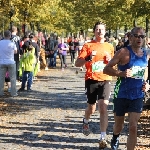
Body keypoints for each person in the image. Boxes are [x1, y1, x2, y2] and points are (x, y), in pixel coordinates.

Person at [103, 27, 148, 150]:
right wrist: (120, 73)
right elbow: (106, 69)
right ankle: (115, 136)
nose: (139, 39)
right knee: (119, 125)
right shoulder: (123, 52)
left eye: (142, 36)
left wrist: (148, 84)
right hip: (121, 93)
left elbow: (147, 71)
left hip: (138, 95)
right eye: (137, 36)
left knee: (133, 126)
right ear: (130, 37)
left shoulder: (146, 54)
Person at [75, 21, 114, 149]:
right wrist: (87, 59)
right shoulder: (88, 45)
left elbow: (114, 65)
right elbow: (77, 64)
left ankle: (103, 137)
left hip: (106, 79)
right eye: (97, 29)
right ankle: (86, 120)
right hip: (91, 79)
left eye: (102, 29)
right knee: (91, 108)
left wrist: (110, 62)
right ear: (94, 31)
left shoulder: (110, 46)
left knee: (103, 107)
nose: (100, 31)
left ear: (105, 31)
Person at [0, 30, 18, 97]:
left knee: (1, 78)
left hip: (1, 62)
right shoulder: (12, 43)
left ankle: (1, 92)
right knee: (13, 78)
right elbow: (15, 52)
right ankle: (13, 93)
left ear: (4, 35)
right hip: (10, 61)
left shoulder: (0, 42)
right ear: (10, 35)